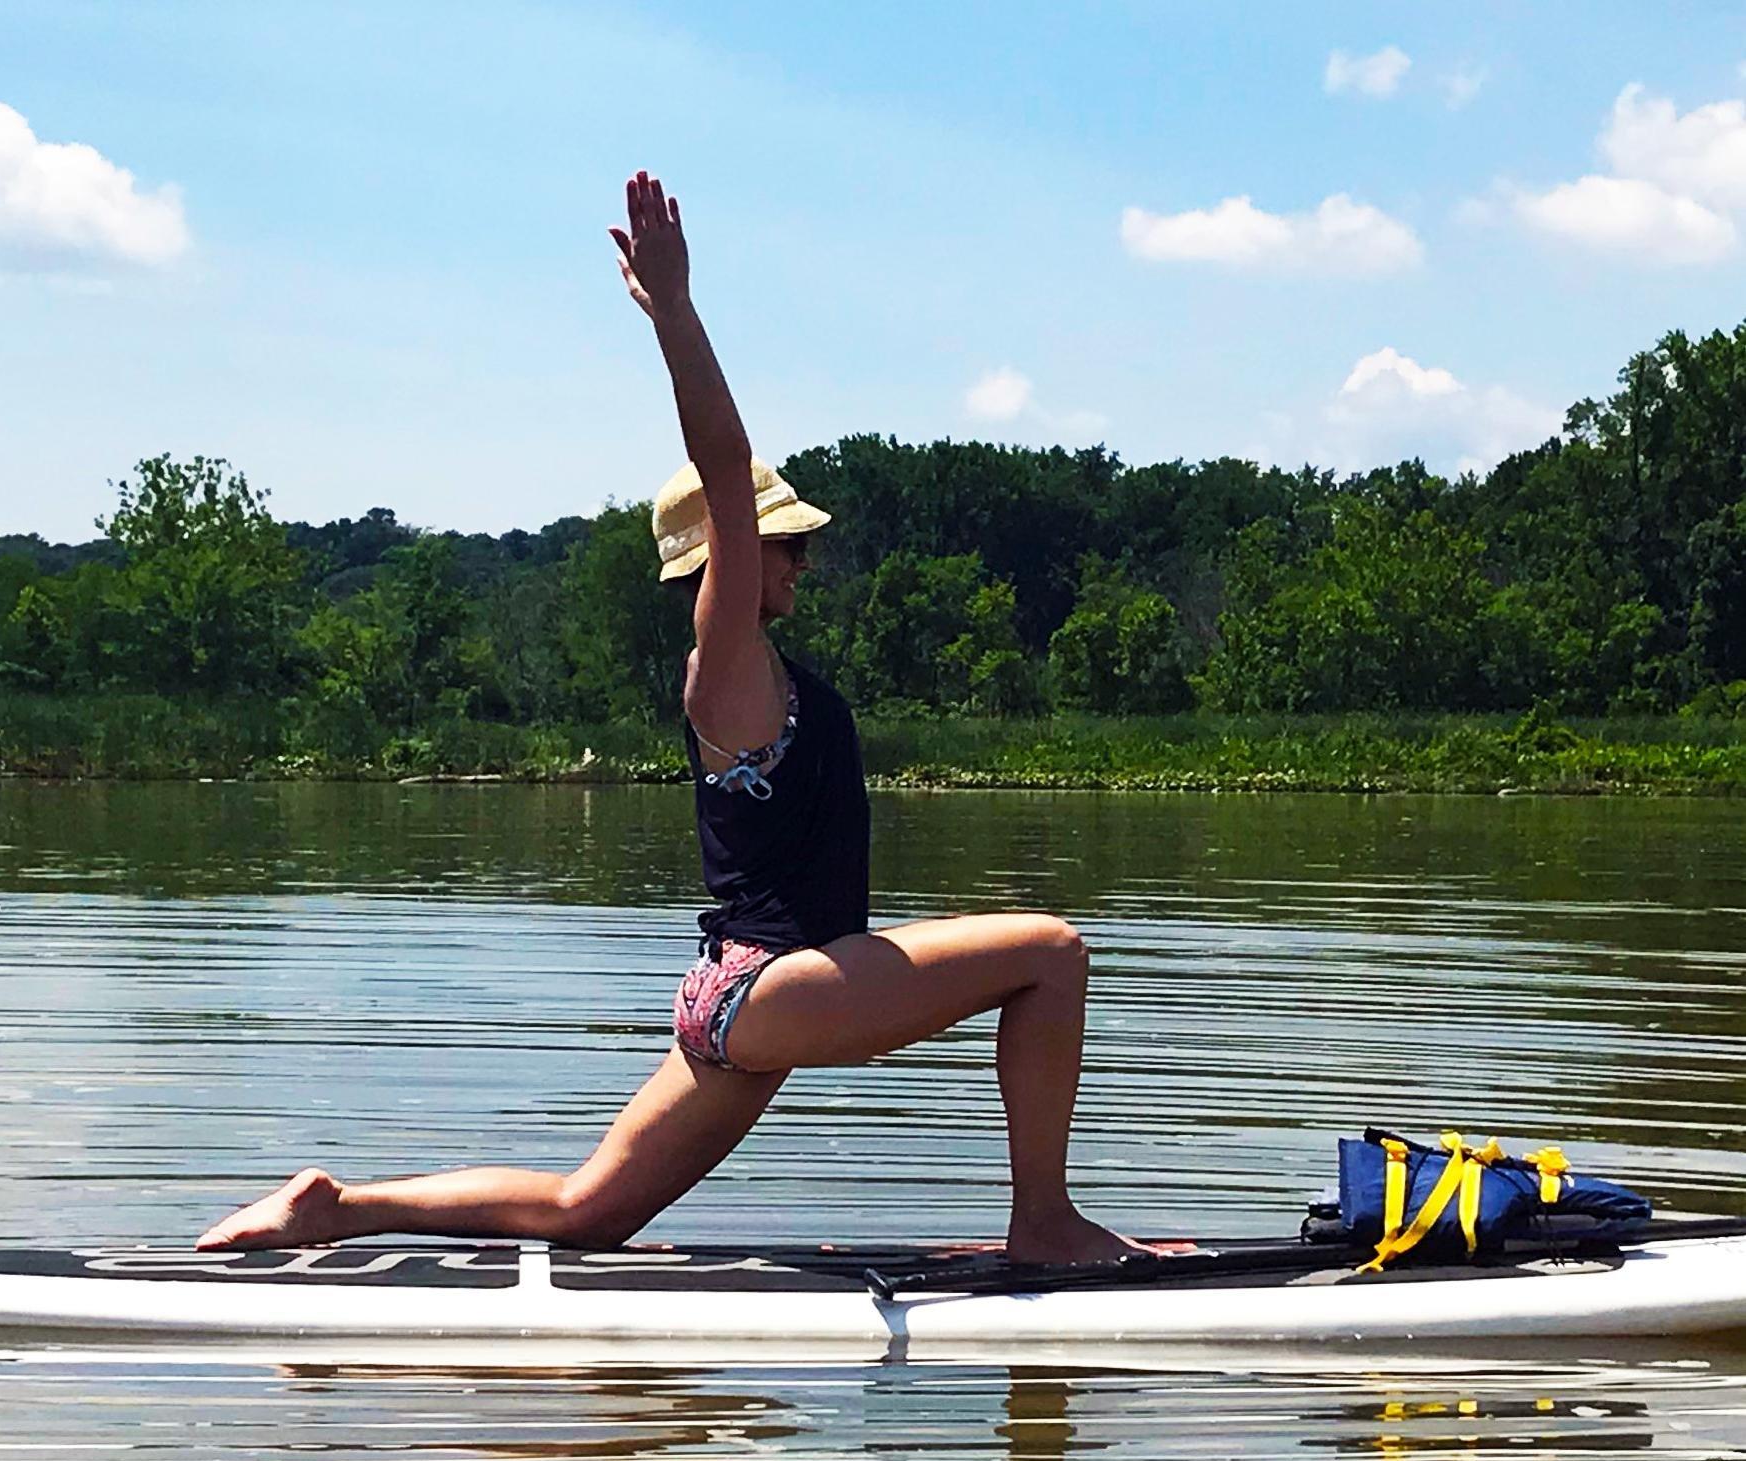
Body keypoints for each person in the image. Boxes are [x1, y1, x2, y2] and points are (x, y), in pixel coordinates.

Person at [197, 171, 1128, 1265]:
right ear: (723, 559)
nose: (802, 554)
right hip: (774, 990)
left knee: (585, 1214)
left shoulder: (765, 670)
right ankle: (1042, 1224)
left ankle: (333, 1207)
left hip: (745, 993)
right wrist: (677, 317)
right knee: (1052, 954)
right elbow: (726, 473)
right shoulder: (723, 664)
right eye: (784, 541)